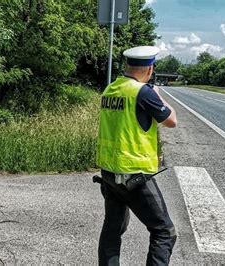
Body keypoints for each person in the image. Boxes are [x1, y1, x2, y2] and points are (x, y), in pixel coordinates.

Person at [96, 46, 178, 266]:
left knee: (113, 229)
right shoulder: (143, 92)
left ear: (128, 66)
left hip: (109, 172)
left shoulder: (111, 89)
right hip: (134, 175)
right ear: (149, 69)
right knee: (164, 232)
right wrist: (159, 95)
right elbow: (171, 121)